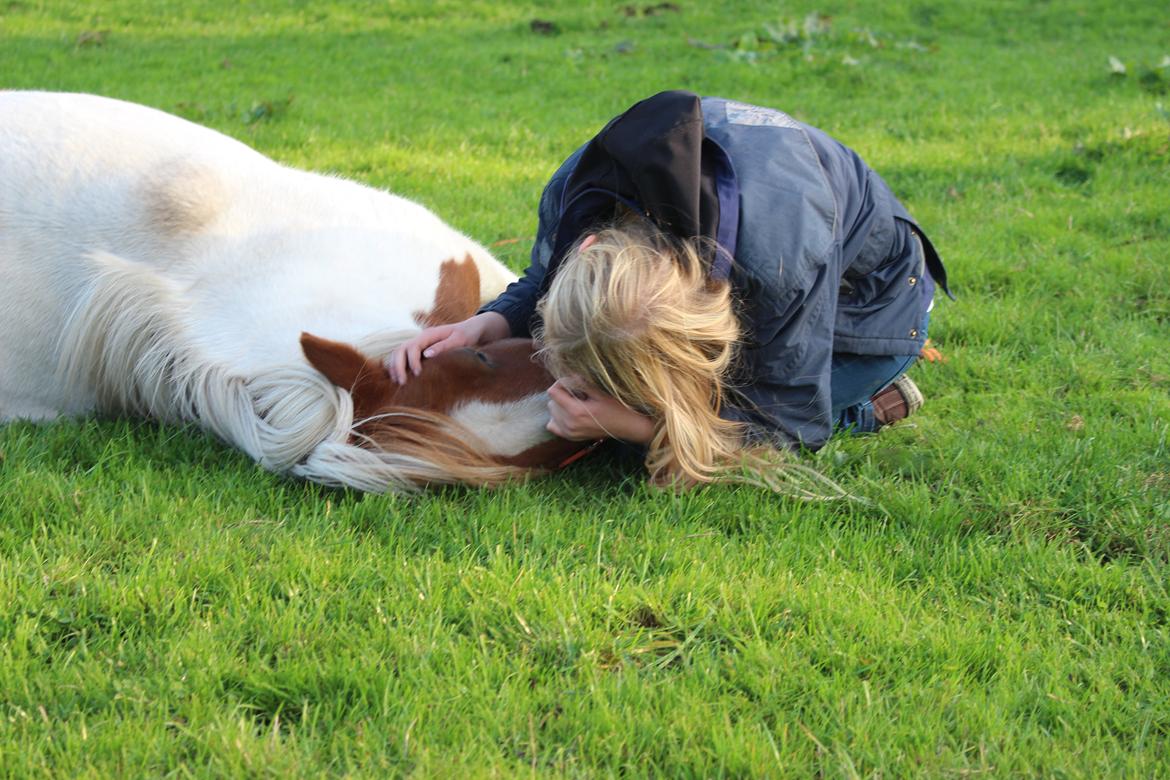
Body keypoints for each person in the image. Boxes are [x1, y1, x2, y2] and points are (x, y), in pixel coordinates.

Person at [388, 91, 951, 488]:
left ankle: (863, 408)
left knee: (696, 428)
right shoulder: (581, 190)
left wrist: (637, 426)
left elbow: (788, 427)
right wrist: (495, 320)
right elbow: (546, 278)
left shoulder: (779, 265)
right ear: (590, 251)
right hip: (761, 247)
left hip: (863, 317)